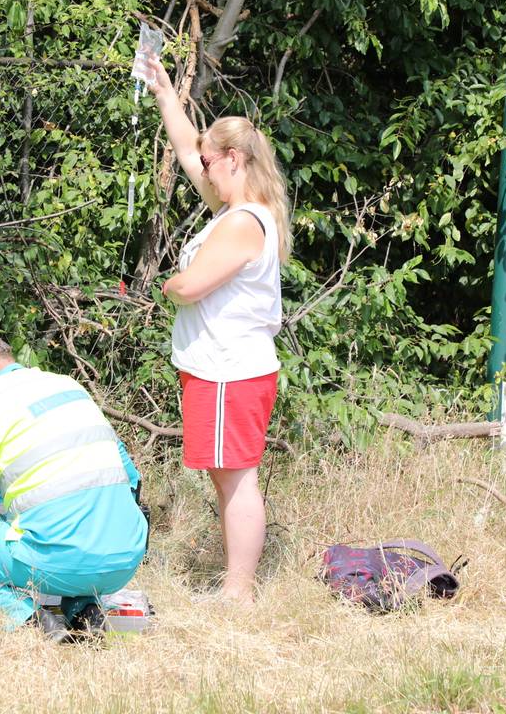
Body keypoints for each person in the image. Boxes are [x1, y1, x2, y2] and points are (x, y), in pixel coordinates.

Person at [145, 55, 292, 604]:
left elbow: (190, 287)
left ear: (234, 159)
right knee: (225, 475)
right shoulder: (237, 209)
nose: (202, 171)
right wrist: (165, 93)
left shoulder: (242, 223)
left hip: (231, 370)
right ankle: (236, 585)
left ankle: (239, 591)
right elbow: (188, 150)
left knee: (236, 478)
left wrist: (167, 284)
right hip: (217, 368)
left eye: (211, 162)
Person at [0, 324, 148, 637]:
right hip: (126, 556)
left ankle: (28, 622)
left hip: (63, 557)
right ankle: (84, 611)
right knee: (49, 530)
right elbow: (130, 477)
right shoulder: (67, 385)